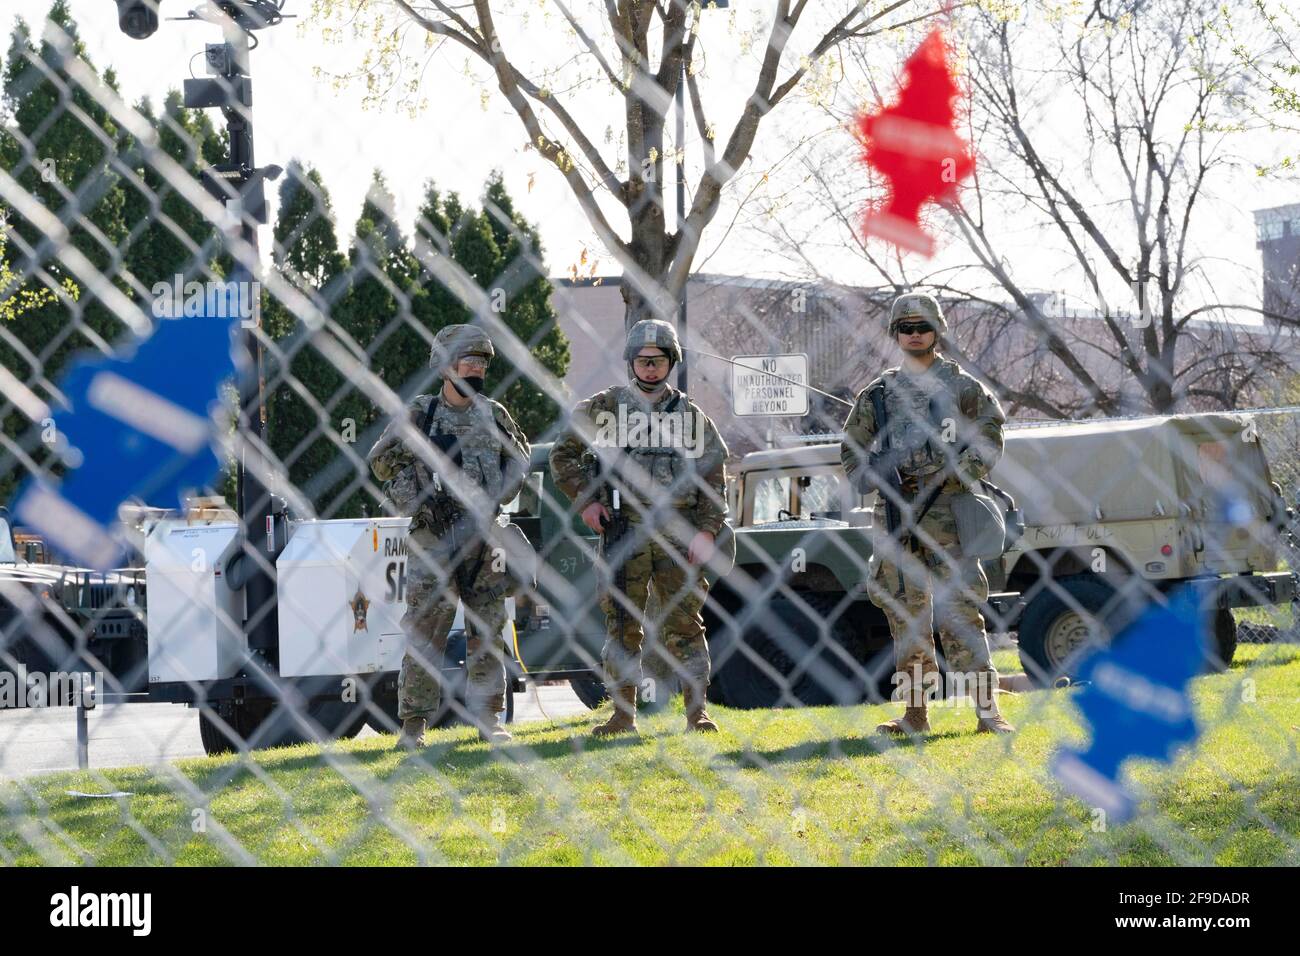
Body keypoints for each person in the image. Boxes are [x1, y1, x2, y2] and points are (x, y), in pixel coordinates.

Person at [841, 293, 1015, 736]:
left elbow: (992, 433)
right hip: (897, 514)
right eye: (906, 328)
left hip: (949, 512)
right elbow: (852, 448)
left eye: (922, 327)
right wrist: (876, 478)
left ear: (937, 330)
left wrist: (960, 472)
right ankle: (914, 715)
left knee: (961, 611)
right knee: (906, 614)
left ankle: (987, 711)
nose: (914, 335)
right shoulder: (878, 394)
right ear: (895, 335)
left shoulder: (962, 386)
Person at [549, 319, 731, 736]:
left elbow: (714, 478)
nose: (651, 368)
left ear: (671, 363)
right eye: (643, 361)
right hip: (623, 531)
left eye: (659, 361)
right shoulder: (605, 407)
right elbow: (564, 456)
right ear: (631, 363)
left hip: (678, 536)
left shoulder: (690, 416)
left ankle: (697, 713)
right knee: (621, 625)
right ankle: (622, 714)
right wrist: (587, 503)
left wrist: (705, 531)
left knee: (685, 624)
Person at [367, 324, 531, 748]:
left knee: (489, 626)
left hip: (481, 535)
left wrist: (496, 495)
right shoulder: (420, 414)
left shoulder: (494, 415)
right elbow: (381, 463)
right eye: (468, 361)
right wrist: (419, 493)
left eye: (481, 362)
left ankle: (489, 718)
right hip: (434, 536)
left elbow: (521, 462)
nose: (476, 368)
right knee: (426, 629)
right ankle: (414, 726)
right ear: (444, 366)